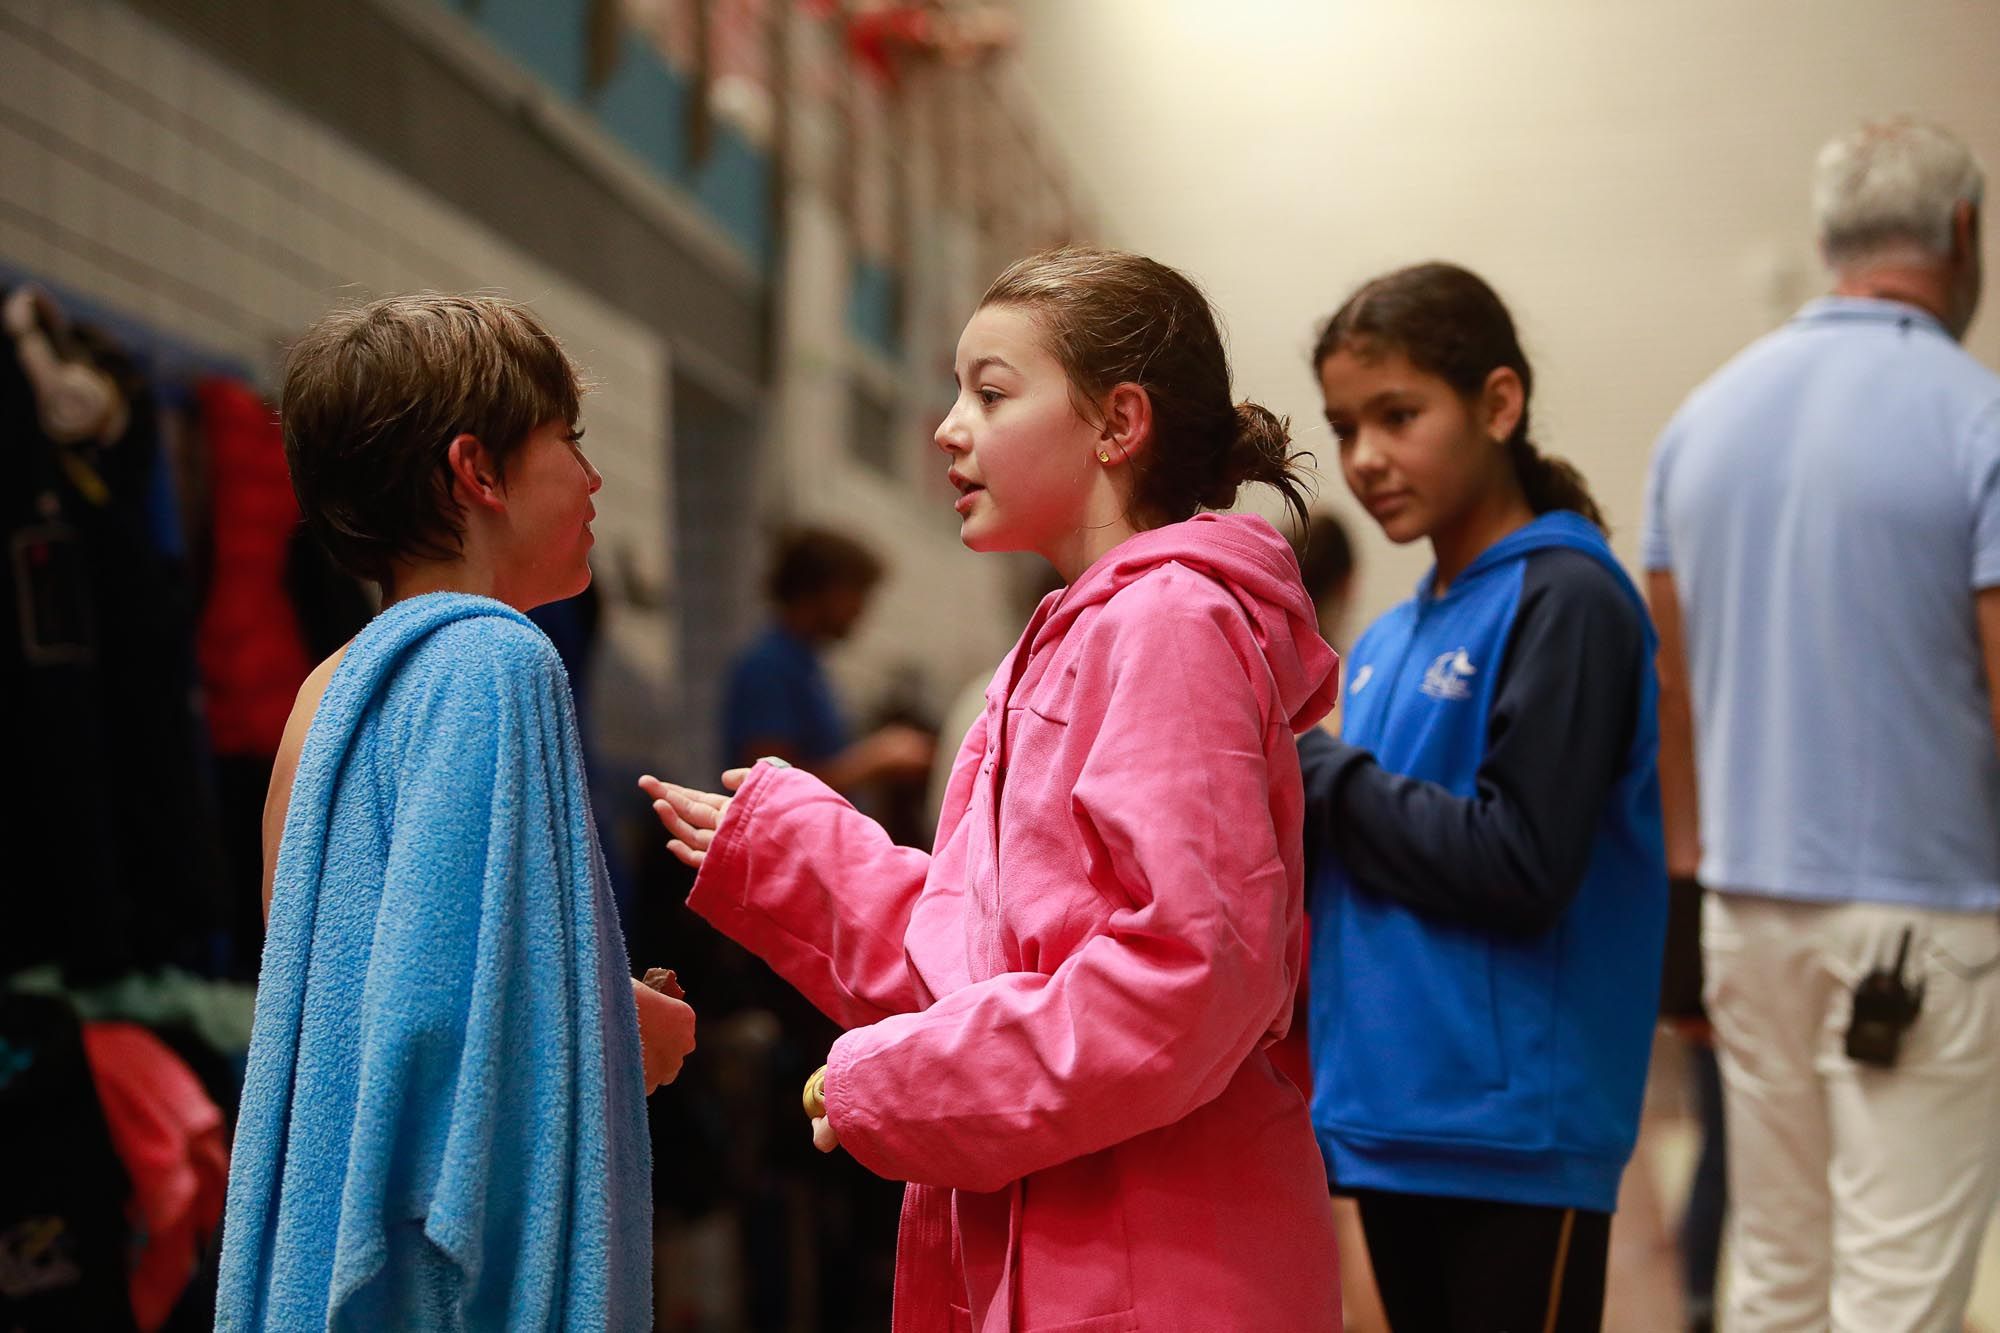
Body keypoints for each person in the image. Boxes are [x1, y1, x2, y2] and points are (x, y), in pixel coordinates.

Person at [643, 246, 1342, 1331]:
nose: (946, 427)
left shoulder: (1167, 624)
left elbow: (1190, 974)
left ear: (1117, 423)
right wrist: (796, 855)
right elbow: (989, 960)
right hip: (1074, 1246)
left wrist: (904, 1084)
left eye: (990, 392)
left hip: (1150, 1264)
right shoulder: (1074, 633)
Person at [217, 294, 695, 1328]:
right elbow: (445, 1040)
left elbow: (368, 982)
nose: (594, 476)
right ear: (477, 471)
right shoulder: (491, 661)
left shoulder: (328, 689)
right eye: (568, 440)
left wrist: (597, 995)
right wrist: (617, 1034)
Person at [1644, 119, 2000, 1333]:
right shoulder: (1980, 422)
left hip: (1745, 915)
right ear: (1962, 235)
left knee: (1778, 1276)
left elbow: (1671, 695)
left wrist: (1686, 899)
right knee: (1898, 1295)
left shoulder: (1699, 423)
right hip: (1926, 923)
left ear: (1826, 241)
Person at [1301, 262, 1667, 1333]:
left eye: (1397, 415)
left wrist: (1321, 772)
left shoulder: (1567, 600)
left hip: (1514, 1137)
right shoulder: (1385, 641)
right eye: (1344, 426)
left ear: (1497, 404)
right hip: (1393, 1113)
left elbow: (1521, 862)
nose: (1365, 457)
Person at [721, 526, 934, 792]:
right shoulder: (769, 668)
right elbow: (768, 785)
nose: (860, 610)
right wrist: (874, 760)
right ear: (820, 591)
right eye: (856, 594)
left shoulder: (805, 664)